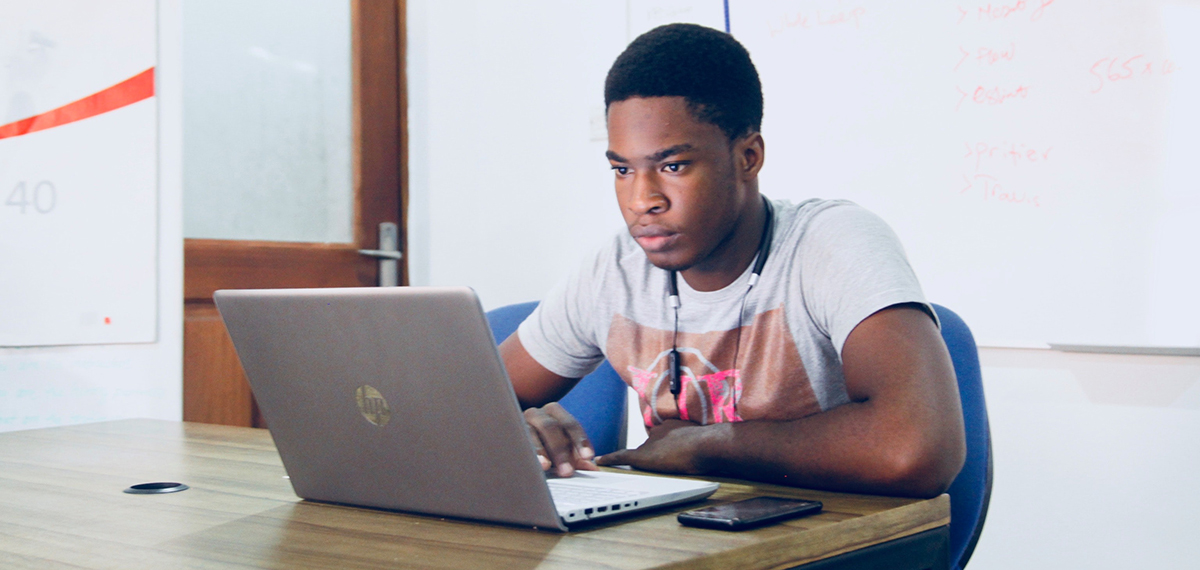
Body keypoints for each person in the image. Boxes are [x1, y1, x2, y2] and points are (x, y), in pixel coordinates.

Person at [499, 23, 965, 498]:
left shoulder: (831, 243)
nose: (642, 200)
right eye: (622, 170)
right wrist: (519, 427)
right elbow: (458, 407)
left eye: (673, 166)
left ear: (748, 156)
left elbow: (916, 449)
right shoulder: (615, 269)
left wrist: (709, 445)